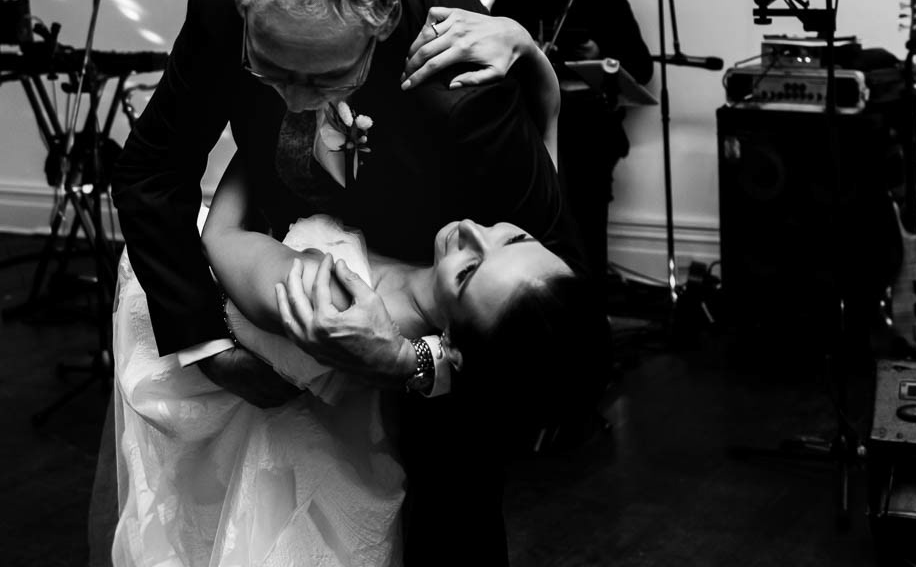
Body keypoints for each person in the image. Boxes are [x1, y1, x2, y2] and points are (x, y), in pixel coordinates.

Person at [109, 0, 586, 565]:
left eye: (329, 76)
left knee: (451, 505)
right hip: (297, 253)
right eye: (271, 69)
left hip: (442, 298)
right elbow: (153, 169)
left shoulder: (456, 70)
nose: (297, 100)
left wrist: (411, 363)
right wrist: (204, 344)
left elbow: (555, 335)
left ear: (380, 28)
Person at [111, 155, 597, 566]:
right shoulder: (485, 310)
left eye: (467, 272)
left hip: (176, 286)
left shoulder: (338, 301)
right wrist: (548, 98)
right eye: (514, 240)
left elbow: (219, 237)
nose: (472, 230)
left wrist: (265, 131)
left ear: (452, 348)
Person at [490, 0, 653, 273]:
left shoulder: (609, 2)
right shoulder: (511, 3)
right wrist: (528, 55)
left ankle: (591, 298)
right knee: (532, 225)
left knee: (589, 226)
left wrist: (600, 53)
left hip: (591, 132)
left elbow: (643, 69)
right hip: (529, 131)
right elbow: (489, 68)